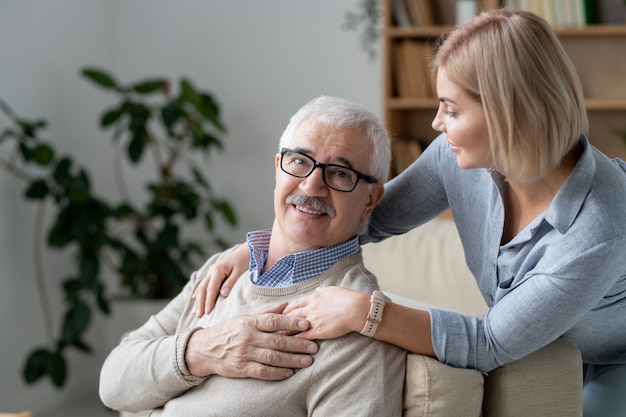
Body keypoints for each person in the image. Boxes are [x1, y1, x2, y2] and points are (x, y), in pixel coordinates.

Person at [192, 9, 626, 416]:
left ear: (507, 114)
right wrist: (263, 249)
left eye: (452, 110)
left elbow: (490, 341)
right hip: (555, 347)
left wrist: (366, 312)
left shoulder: (598, 229)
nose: (437, 123)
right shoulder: (457, 160)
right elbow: (367, 218)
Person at [99, 95, 406, 416]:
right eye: (300, 160)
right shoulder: (222, 273)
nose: (312, 186)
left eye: (341, 173)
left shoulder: (356, 327)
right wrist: (203, 349)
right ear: (278, 169)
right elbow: (113, 385)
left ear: (370, 200)